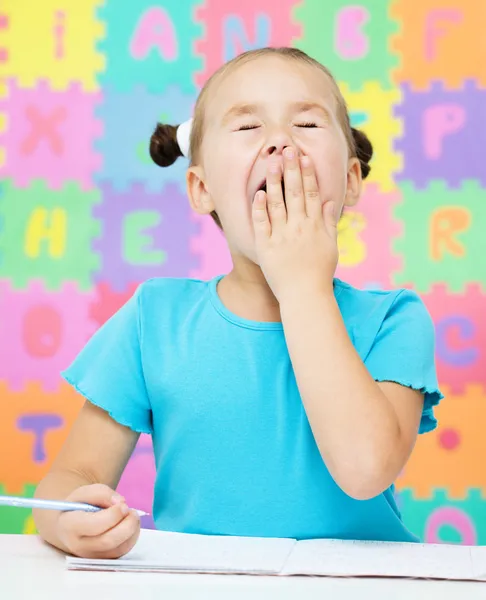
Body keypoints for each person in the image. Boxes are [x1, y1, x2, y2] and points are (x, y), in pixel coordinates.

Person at [33, 47, 443, 559]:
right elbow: (71, 478)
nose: (279, 141)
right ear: (202, 188)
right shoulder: (153, 320)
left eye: (308, 123)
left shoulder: (394, 319)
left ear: (351, 179)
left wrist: (302, 286)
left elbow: (365, 470)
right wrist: (70, 521)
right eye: (248, 128)